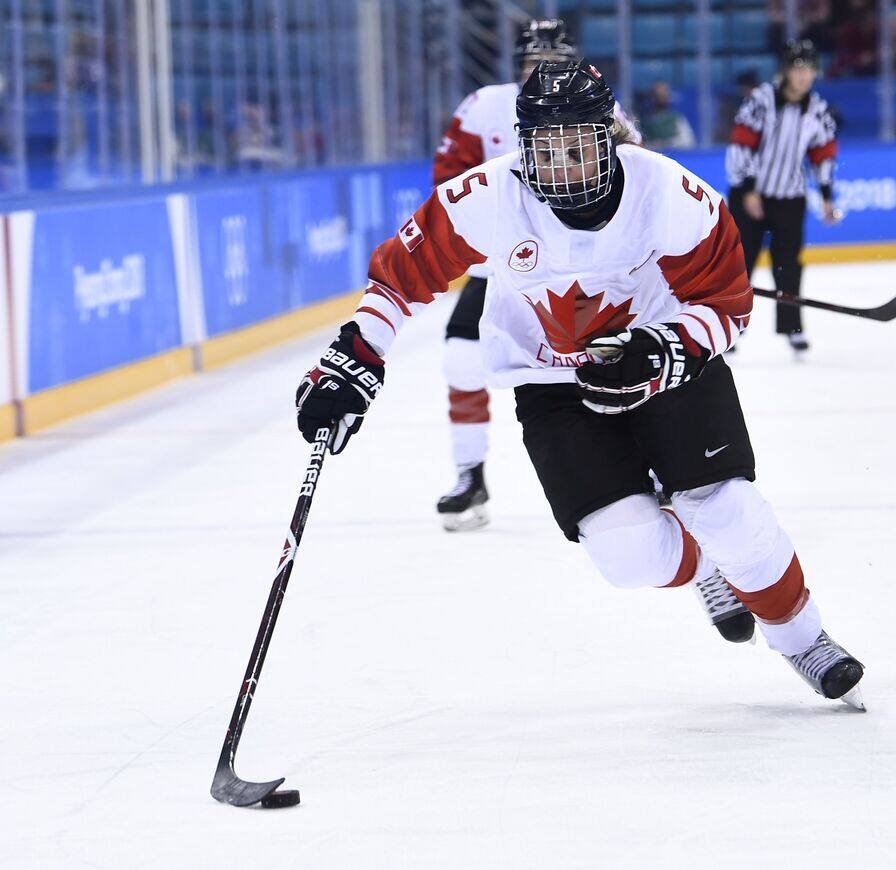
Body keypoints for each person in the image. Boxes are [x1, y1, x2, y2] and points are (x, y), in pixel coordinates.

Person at [294, 61, 865, 706]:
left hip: (661, 359)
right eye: (546, 151)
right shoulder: (488, 196)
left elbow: (727, 305)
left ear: (608, 138)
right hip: (550, 382)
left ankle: (803, 640)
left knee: (728, 510)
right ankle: (710, 566)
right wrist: (354, 356)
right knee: (628, 555)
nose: (562, 168)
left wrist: (666, 349)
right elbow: (401, 274)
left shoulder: (669, 194)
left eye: (577, 148)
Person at [430, 19, 641, 531]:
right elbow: (448, 182)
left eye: (553, 60)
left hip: (581, 270)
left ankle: (642, 463)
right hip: (507, 265)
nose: (542, 69)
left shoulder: (595, 103)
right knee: (460, 356)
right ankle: (470, 473)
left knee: (609, 361)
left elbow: (637, 177)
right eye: (532, 61)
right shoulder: (483, 106)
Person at [725, 39, 841, 356]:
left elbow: (823, 154)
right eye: (798, 68)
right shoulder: (760, 101)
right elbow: (740, 146)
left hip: (790, 197)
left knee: (789, 265)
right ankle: (729, 328)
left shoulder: (818, 110)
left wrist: (827, 196)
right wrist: (748, 189)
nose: (804, 76)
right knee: (739, 265)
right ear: (786, 71)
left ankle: (792, 328)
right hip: (749, 195)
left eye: (810, 69)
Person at [640, 81, 695, 149]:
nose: (661, 98)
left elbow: (688, 141)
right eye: (658, 95)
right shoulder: (643, 122)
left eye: (664, 95)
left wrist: (666, 143)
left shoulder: (676, 119)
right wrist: (653, 144)